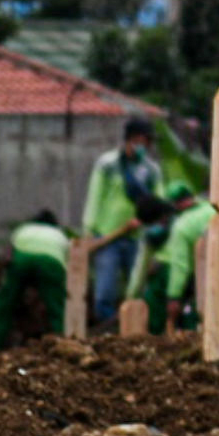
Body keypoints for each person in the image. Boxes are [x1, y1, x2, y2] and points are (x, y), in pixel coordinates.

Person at [82, 117, 162, 330]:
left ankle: (134, 332)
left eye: (146, 143)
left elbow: (158, 201)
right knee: (104, 294)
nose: (143, 146)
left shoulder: (151, 171)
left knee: (136, 292)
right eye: (140, 141)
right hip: (108, 237)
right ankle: (111, 332)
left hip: (137, 238)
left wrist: (148, 222)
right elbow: (95, 196)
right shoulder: (108, 164)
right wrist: (89, 228)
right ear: (130, 140)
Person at [134, 181, 212, 335]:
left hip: (182, 275)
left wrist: (173, 297)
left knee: (182, 312)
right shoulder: (209, 209)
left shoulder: (182, 226)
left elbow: (180, 265)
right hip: (209, 272)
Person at [0, 209, 72, 350]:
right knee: (57, 310)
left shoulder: (23, 230)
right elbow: (65, 263)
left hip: (21, 259)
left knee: (4, 307)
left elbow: (8, 254)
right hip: (50, 262)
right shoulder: (59, 235)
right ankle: (63, 345)